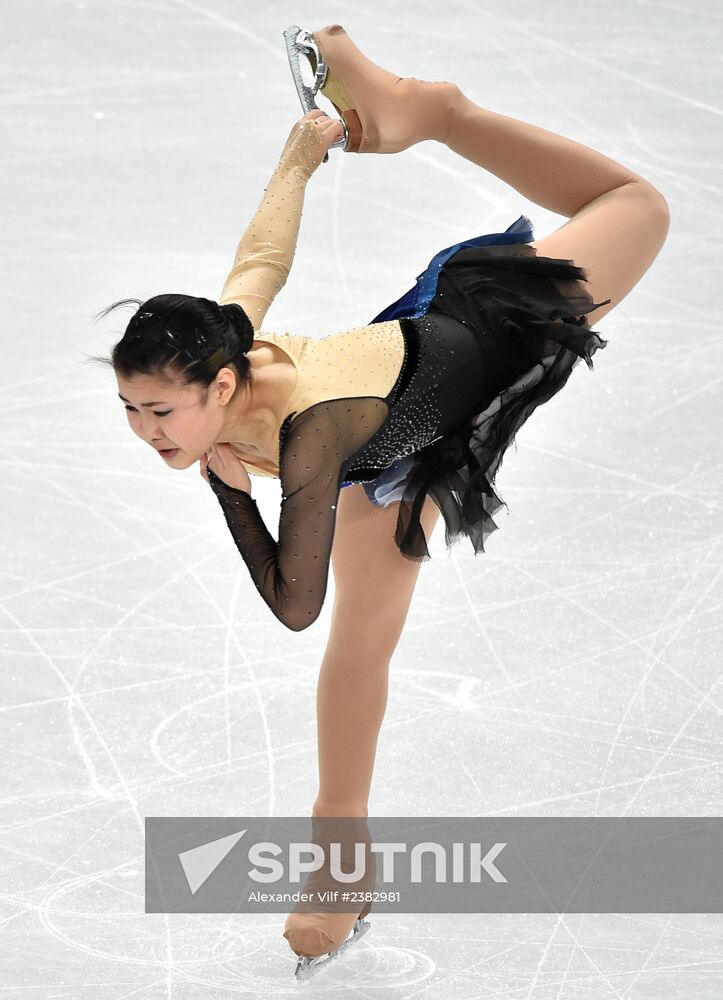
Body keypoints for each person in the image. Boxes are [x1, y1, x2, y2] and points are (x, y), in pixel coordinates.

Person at [91, 23, 670, 979]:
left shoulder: (310, 435)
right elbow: (262, 254)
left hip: (488, 331)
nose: (146, 430)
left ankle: (437, 111)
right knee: (361, 646)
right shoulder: (223, 343)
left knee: (634, 206)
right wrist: (299, 156)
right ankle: (340, 868)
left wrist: (233, 500)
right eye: (130, 409)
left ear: (221, 388)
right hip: (400, 413)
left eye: (159, 411)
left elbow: (294, 601)